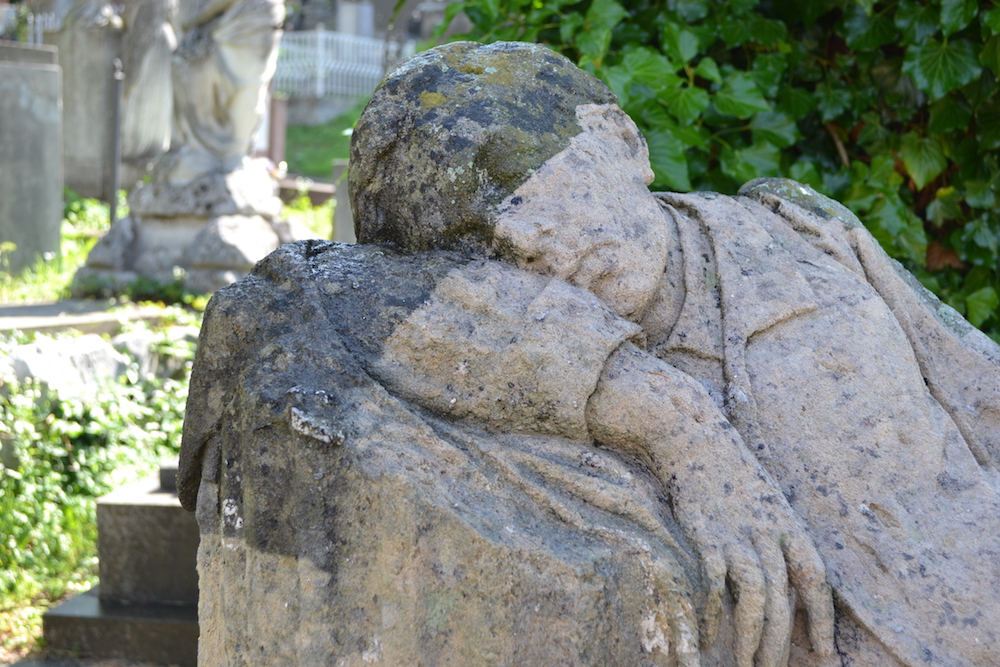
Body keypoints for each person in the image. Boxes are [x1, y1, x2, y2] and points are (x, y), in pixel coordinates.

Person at [347, 41, 1000, 666]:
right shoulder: (518, 360)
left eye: (529, 182)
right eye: (482, 246)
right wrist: (671, 419)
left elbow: (976, 383)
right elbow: (336, 294)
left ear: (624, 142)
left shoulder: (795, 227)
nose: (528, 242)